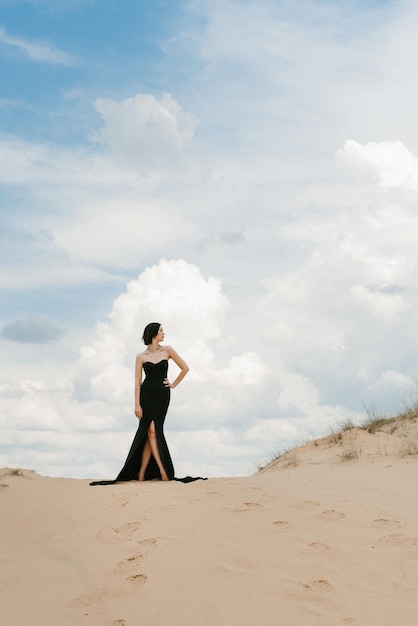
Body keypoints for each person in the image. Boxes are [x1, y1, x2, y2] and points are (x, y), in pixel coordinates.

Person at [115, 322, 189, 482]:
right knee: (150, 432)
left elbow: (185, 368)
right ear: (153, 333)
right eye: (161, 330)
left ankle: (154, 472)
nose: (164, 333)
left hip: (162, 396)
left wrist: (173, 384)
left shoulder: (167, 350)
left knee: (154, 431)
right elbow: (137, 382)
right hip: (146, 396)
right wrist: (136, 404)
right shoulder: (141, 356)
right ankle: (148, 473)